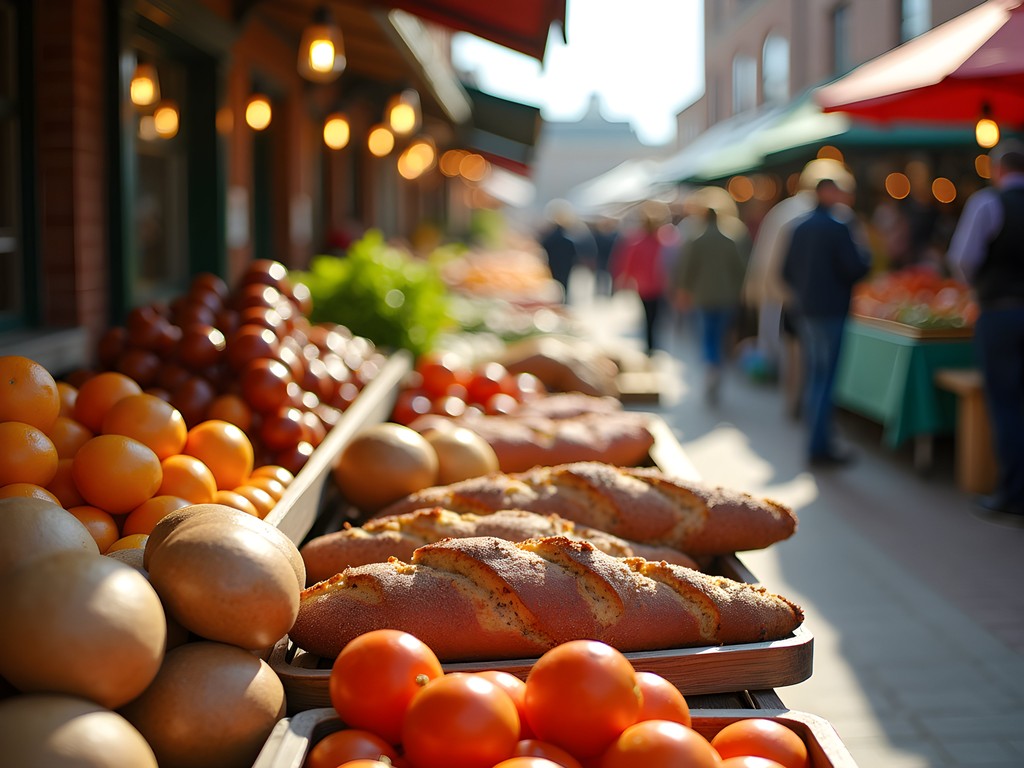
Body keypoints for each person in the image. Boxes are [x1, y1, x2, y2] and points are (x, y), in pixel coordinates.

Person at [743, 158, 858, 418]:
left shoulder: (784, 212)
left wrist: (776, 297)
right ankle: (812, 417)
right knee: (818, 365)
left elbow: (766, 265)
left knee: (797, 358)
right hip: (821, 305)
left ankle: (797, 405)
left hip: (790, 301)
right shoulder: (838, 215)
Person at [947, 139, 1024, 519]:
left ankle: (1013, 495)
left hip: (1000, 313)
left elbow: (962, 258)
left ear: (998, 170)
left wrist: (981, 285)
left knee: (1007, 402)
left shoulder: (988, 203)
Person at [782, 178, 871, 466]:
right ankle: (819, 446)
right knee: (825, 379)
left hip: (807, 311)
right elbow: (855, 268)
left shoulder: (800, 226)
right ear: (827, 192)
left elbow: (785, 271)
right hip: (830, 311)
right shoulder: (838, 226)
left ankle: (817, 441)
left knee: (815, 377)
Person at [672, 207, 748, 403]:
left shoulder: (697, 241)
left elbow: (687, 270)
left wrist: (683, 292)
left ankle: (711, 366)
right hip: (726, 297)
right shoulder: (729, 240)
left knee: (707, 336)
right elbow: (740, 270)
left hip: (703, 297)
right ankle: (716, 365)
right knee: (720, 335)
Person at [610, 201, 670, 355]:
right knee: (654, 316)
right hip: (657, 286)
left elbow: (627, 264)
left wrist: (623, 280)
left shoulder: (641, 242)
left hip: (646, 286)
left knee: (649, 316)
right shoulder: (661, 241)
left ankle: (651, 344)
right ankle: (652, 344)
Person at [539, 199, 580, 303]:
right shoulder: (568, 237)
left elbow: (544, 247)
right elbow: (574, 251)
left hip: (554, 263)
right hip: (566, 264)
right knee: (565, 284)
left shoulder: (550, 237)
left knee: (554, 284)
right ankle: (563, 301)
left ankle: (557, 301)